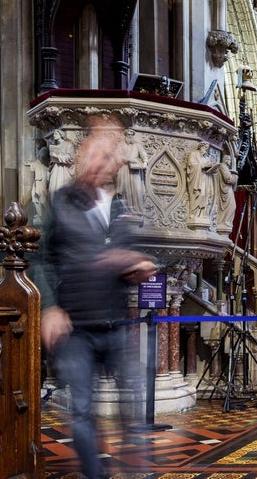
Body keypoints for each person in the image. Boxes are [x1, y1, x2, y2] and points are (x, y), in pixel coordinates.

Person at [30, 117, 157, 479]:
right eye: (95, 154)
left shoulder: (122, 209)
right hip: (76, 329)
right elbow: (41, 258)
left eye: (107, 156)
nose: (100, 162)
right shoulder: (62, 201)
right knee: (83, 411)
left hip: (116, 324)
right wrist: (50, 307)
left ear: (114, 163)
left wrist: (139, 265)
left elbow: (135, 256)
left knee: (133, 407)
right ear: (82, 156)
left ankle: (137, 472)